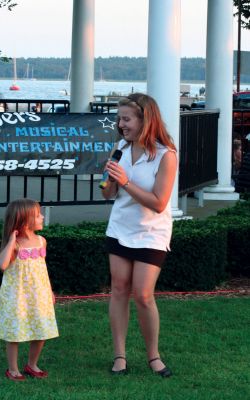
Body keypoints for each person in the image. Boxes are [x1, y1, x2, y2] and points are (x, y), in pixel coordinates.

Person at [101, 93, 177, 377]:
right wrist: (108, 183)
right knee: (119, 289)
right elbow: (110, 194)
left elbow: (158, 203)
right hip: (120, 228)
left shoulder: (166, 156)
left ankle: (153, 357)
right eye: (120, 119)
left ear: (146, 120)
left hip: (151, 233)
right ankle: (119, 356)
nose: (121, 125)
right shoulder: (119, 148)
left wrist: (125, 181)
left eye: (126, 119)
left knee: (143, 295)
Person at [0, 198, 59, 381]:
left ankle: (32, 364)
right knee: (14, 333)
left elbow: (43, 269)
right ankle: (13, 369)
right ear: (24, 220)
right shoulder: (14, 245)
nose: (43, 217)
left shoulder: (41, 241)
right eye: (38, 215)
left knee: (41, 329)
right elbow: (2, 264)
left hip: (39, 294)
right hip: (18, 296)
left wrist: (50, 290)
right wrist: (12, 240)